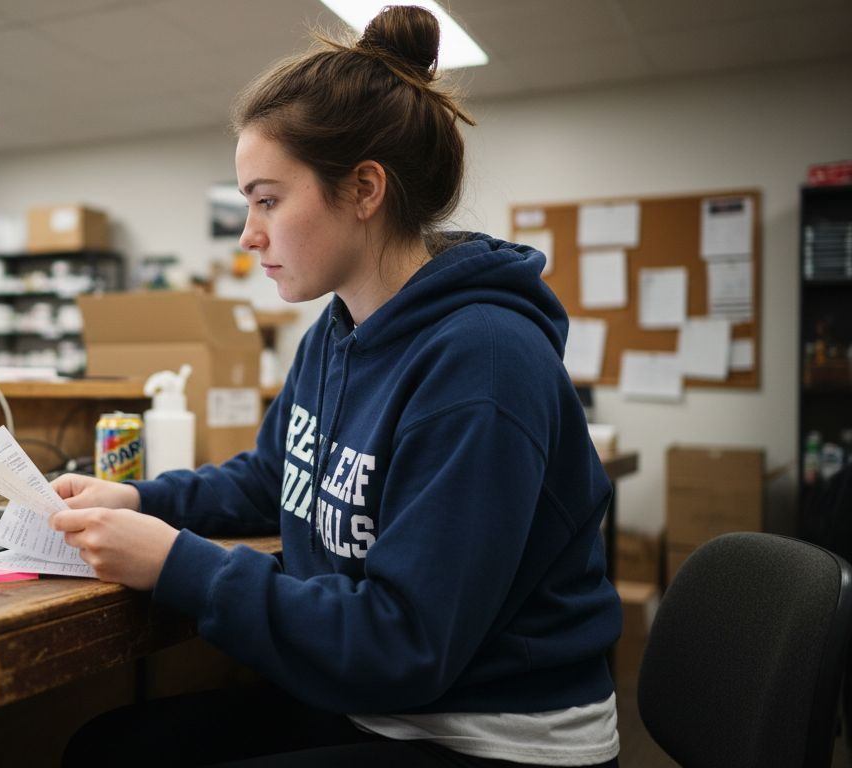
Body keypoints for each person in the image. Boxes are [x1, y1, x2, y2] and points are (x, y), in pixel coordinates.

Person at [50, 6, 621, 767]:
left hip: (492, 735)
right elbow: (274, 473)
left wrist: (176, 561)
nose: (249, 235)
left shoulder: (483, 359)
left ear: (363, 189)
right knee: (109, 747)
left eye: (267, 199)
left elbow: (404, 640)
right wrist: (141, 501)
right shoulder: (340, 326)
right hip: (385, 705)